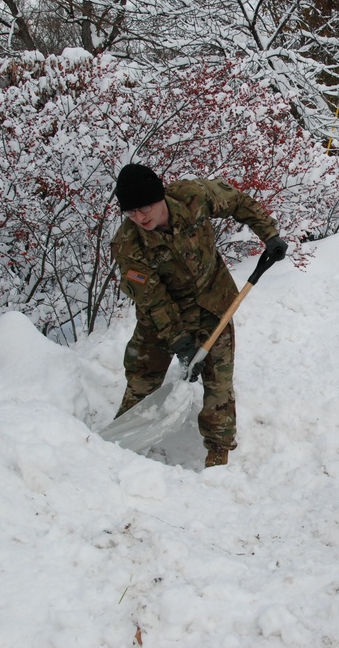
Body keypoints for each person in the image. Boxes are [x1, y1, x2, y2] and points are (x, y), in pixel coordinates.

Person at [111, 163, 288, 467]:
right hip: (161, 316)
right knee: (142, 376)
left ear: (160, 197)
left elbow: (237, 201)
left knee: (218, 379)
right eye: (131, 213)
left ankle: (218, 450)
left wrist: (268, 233)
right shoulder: (128, 244)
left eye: (144, 208)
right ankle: (121, 441)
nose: (140, 218)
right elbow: (154, 300)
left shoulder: (193, 195)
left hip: (213, 301)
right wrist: (180, 342)